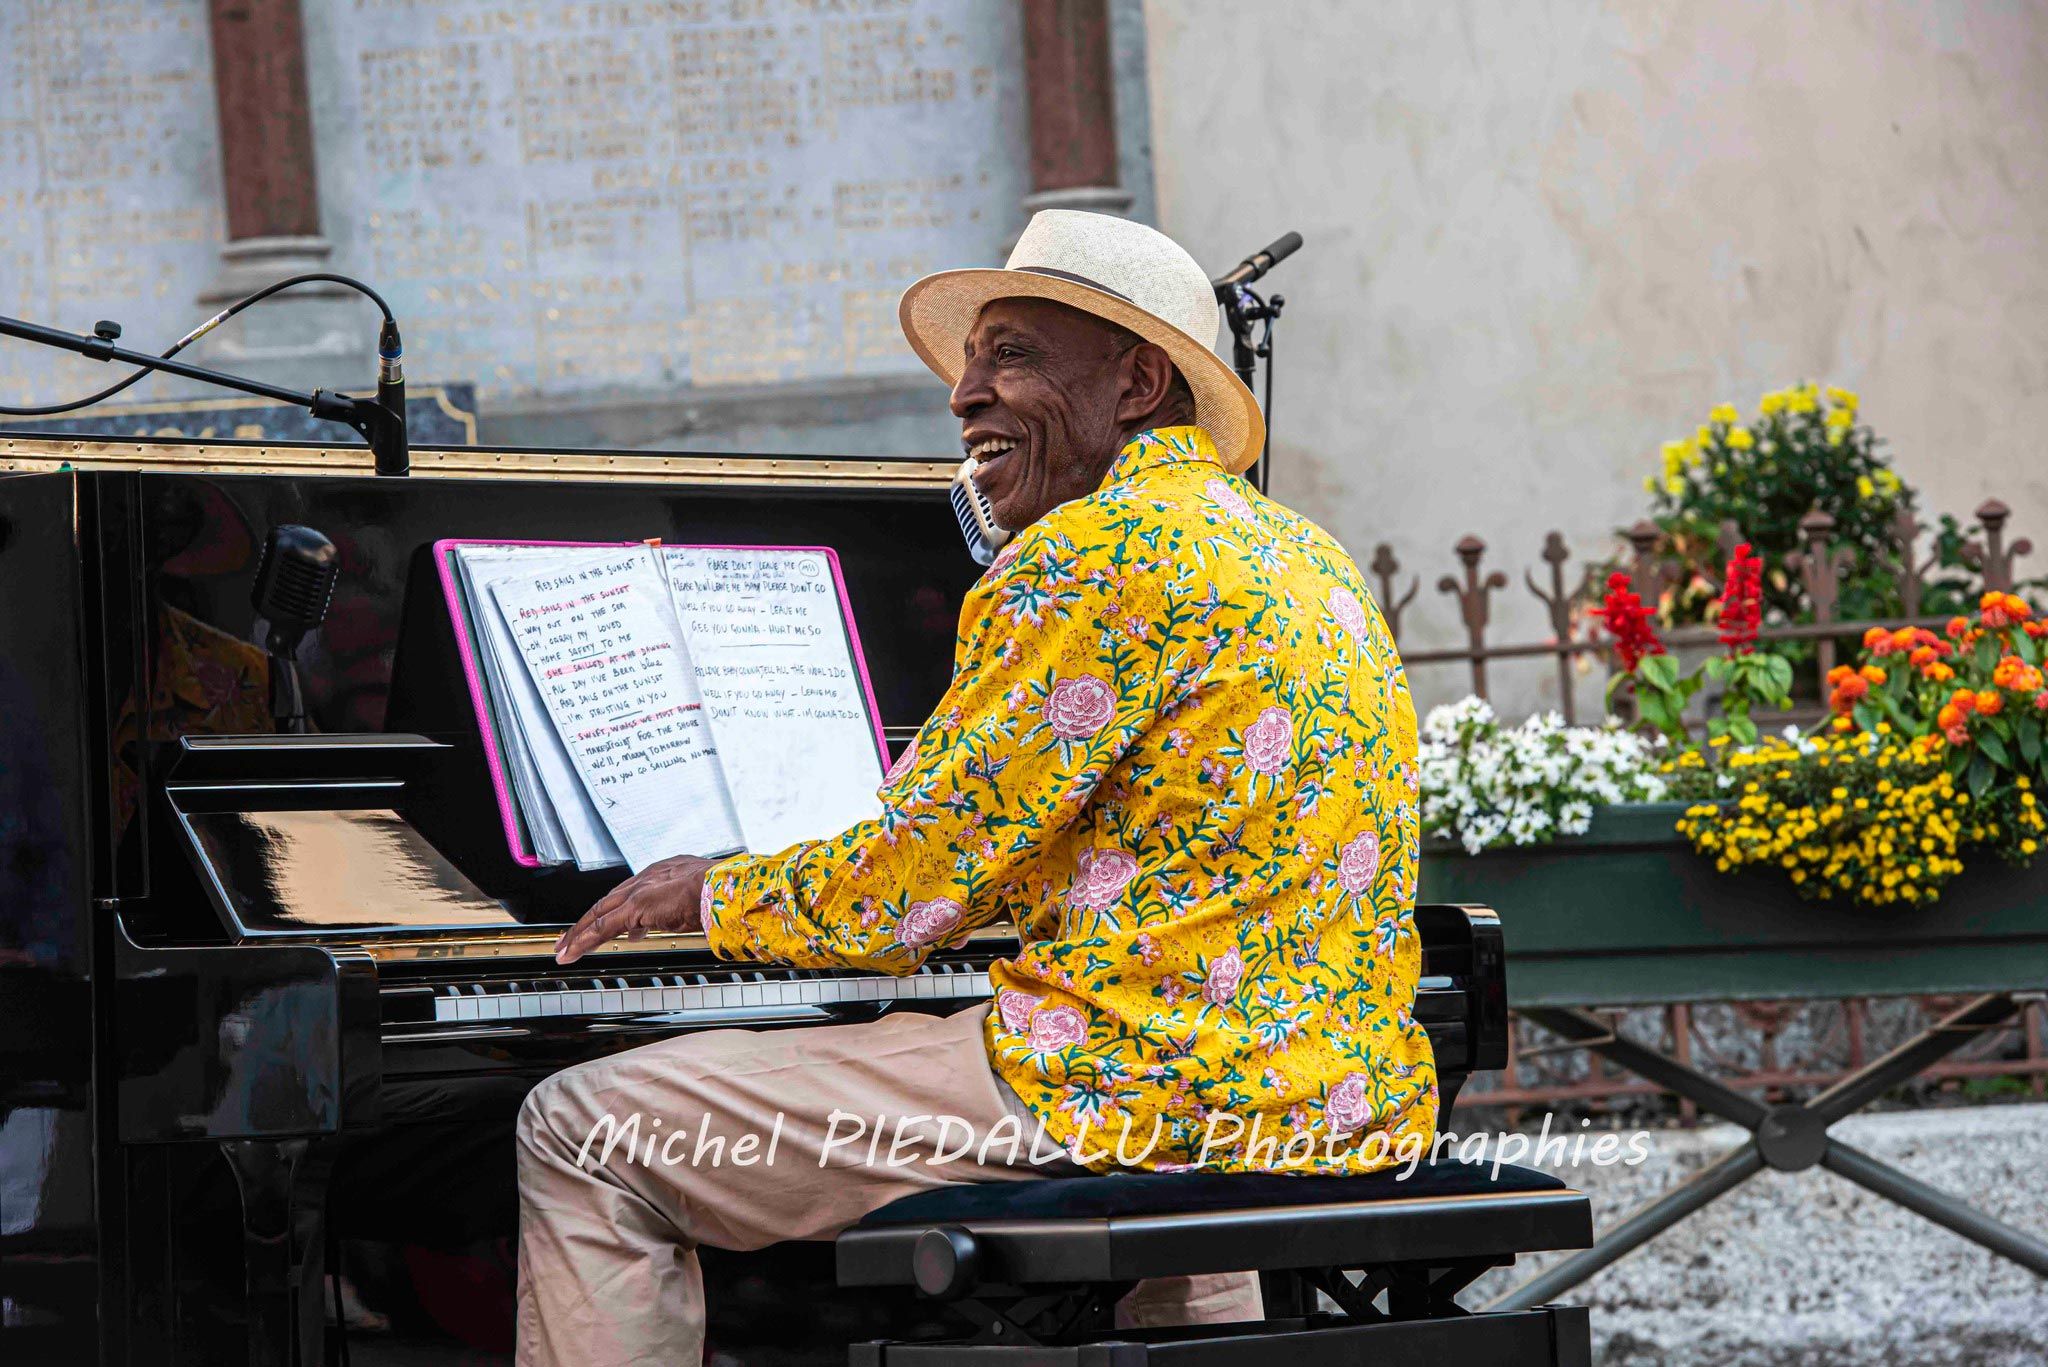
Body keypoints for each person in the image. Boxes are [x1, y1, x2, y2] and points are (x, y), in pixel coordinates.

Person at [514, 210, 1438, 1367]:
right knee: (1178, 1185)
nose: (962, 394)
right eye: (968, 359)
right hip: (1319, 1097)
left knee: (581, 1128)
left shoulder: (1081, 555)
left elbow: (904, 895)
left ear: (1139, 379)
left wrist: (707, 894)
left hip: (1118, 1089)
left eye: (1010, 354)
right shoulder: (1304, 555)